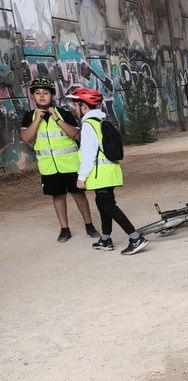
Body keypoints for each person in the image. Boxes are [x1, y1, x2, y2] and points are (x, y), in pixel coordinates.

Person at [66, 88, 149, 256]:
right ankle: (105, 239)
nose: (74, 108)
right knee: (103, 203)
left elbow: (89, 154)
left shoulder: (89, 125)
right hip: (109, 171)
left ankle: (135, 238)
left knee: (108, 205)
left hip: (99, 173)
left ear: (84, 106)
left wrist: (81, 177)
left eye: (76, 104)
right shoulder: (101, 121)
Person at [19, 76, 99, 243]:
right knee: (58, 197)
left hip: (70, 164)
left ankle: (89, 225)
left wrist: (57, 119)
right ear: (32, 96)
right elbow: (26, 138)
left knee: (78, 195)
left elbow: (76, 135)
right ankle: (64, 229)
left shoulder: (64, 113)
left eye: (46, 93)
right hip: (48, 167)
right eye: (37, 93)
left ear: (53, 96)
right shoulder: (29, 116)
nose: (41, 96)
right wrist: (38, 119)